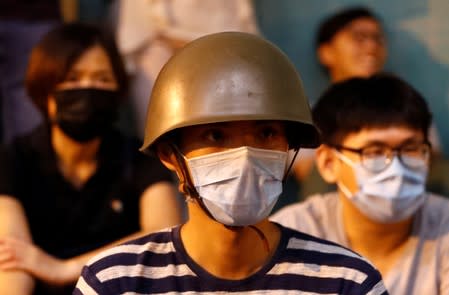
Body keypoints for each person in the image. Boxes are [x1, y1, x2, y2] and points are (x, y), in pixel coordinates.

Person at [73, 32, 388, 294]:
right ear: (170, 156)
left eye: (266, 133)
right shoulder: (114, 283)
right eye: (215, 135)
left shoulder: (348, 283)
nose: (245, 156)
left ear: (290, 148)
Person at [0, 23, 183, 295]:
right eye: (73, 79)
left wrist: (63, 269)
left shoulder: (140, 159)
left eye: (102, 79)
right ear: (46, 92)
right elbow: (12, 260)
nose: (88, 89)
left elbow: (164, 235)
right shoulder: (13, 159)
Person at [271, 74, 449, 294]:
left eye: (410, 148)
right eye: (374, 152)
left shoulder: (444, 227)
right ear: (328, 163)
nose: (396, 168)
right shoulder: (293, 233)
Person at [116, 0, 260, 137]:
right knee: (166, 129)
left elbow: (243, 25)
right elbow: (135, 33)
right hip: (160, 50)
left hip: (229, 51)